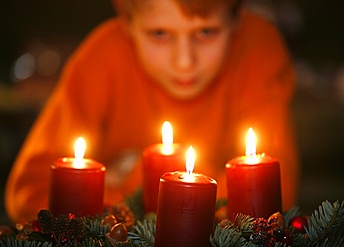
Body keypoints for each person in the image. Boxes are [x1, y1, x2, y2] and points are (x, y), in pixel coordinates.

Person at [5, 0, 300, 223]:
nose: (184, 61)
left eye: (206, 32)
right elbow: (28, 192)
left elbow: (276, 194)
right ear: (128, 24)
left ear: (236, 20)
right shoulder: (103, 55)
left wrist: (129, 180)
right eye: (160, 33)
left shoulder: (257, 46)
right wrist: (198, 187)